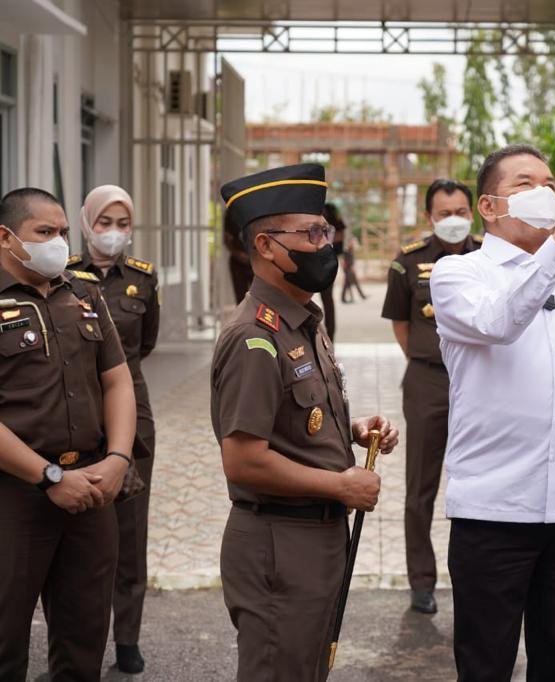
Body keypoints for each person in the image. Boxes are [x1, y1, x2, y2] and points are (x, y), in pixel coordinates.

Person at [430, 144, 555, 681]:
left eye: (550, 182)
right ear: (488, 208)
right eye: (524, 184)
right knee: (486, 664)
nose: (544, 193)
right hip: (495, 510)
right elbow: (501, 321)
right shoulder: (457, 274)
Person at [211, 163, 399, 681]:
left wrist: (352, 431)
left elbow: (294, 422)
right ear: (268, 246)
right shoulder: (255, 335)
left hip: (313, 541)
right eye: (312, 233)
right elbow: (244, 459)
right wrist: (341, 483)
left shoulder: (303, 321)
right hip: (279, 545)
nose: (326, 244)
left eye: (327, 231)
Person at [0, 187, 137, 681]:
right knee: (5, 642)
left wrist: (119, 459)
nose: (58, 242)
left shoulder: (84, 293)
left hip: (92, 487)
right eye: (44, 232)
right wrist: (50, 477)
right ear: (6, 237)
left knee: (83, 641)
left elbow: (117, 379)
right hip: (16, 495)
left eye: (62, 232)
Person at [68, 185, 160, 674]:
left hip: (134, 416)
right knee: (79, 537)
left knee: (129, 531)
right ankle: (81, 646)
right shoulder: (61, 275)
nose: (113, 233)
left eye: (122, 223)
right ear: (86, 224)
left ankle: (127, 637)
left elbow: (144, 345)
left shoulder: (143, 279)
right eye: (104, 222)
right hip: (76, 413)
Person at [381, 178, 482, 614]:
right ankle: (421, 580)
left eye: (462, 212)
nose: (454, 221)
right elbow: (402, 325)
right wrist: (428, 360)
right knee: (421, 486)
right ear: (429, 217)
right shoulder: (407, 263)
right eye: (445, 214)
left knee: (482, 482)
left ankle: (479, 576)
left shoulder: (491, 256)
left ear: (474, 212)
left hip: (483, 381)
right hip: (428, 382)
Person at [320, 203, 347, 341]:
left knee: (328, 301)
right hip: (307, 261)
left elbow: (341, 232)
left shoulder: (330, 208)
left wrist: (324, 241)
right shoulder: (302, 207)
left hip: (326, 261)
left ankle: (330, 339)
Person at [341, 229, 367, 303]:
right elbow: (344, 260)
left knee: (350, 284)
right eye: (352, 242)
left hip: (350, 269)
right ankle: (345, 298)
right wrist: (349, 268)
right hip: (348, 269)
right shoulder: (346, 251)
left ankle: (360, 296)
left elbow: (351, 260)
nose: (353, 243)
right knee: (347, 284)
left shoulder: (351, 250)